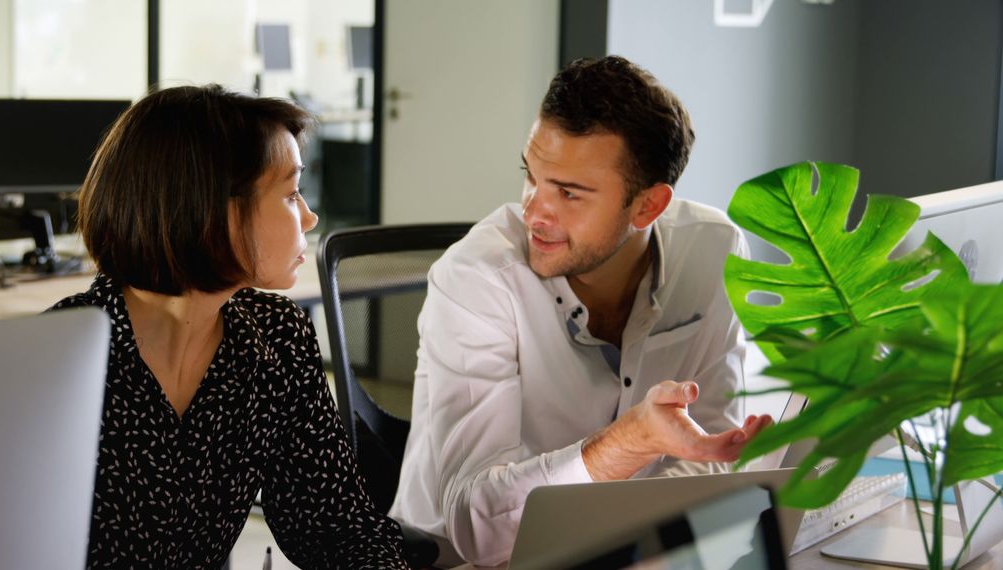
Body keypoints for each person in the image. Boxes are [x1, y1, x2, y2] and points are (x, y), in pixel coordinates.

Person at [389, 56, 773, 567]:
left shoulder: (713, 250)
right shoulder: (476, 279)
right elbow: (476, 527)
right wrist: (629, 443)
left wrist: (640, 541)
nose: (533, 212)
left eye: (568, 193)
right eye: (532, 177)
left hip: (620, 549)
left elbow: (707, 450)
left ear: (648, 207)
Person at [49, 85, 407, 569]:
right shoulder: (60, 352)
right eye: (290, 193)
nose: (309, 215)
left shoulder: (277, 336)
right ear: (212, 210)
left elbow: (334, 526)